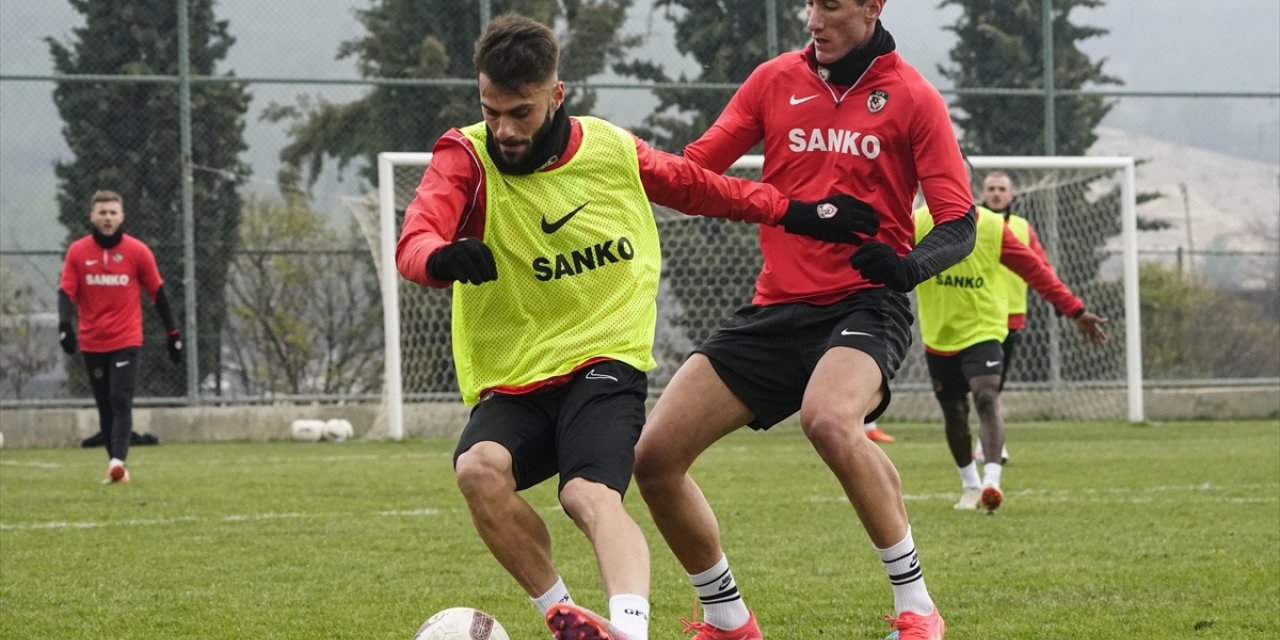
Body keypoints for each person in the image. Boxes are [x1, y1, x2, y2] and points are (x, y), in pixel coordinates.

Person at [394, 14, 881, 640]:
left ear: (556, 95)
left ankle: (629, 628)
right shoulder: (464, 155)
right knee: (477, 471)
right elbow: (415, 241)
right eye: (491, 111)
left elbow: (705, 189)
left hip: (605, 362)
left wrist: (800, 212)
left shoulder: (611, 151)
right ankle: (562, 615)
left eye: (520, 112)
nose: (504, 129)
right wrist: (439, 258)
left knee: (587, 497)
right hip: (516, 375)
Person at [632, 2, 980, 638]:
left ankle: (918, 608)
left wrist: (905, 268)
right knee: (654, 458)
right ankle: (728, 618)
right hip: (775, 307)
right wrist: (612, 156)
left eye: (832, 5)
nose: (814, 19)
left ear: (873, 7)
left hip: (864, 305)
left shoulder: (914, 97)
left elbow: (958, 221)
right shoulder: (772, 80)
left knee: (826, 419)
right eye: (810, 4)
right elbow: (694, 173)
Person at [912, 205, 1108, 513]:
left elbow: (1035, 270)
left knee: (986, 396)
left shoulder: (991, 226)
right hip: (939, 333)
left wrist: (1076, 310)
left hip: (985, 328)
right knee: (955, 412)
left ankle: (992, 481)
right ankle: (970, 484)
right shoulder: (916, 222)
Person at [58, 190, 182, 484]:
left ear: (122, 216)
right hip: (92, 341)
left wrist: (172, 332)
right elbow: (66, 292)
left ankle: (117, 460)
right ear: (92, 216)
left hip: (126, 339)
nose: (108, 218)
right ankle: (117, 469)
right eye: (102, 212)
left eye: (113, 212)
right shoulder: (78, 252)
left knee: (120, 398)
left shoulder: (138, 251)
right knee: (105, 404)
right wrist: (65, 325)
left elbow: (157, 292)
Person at [971, 171, 1052, 465]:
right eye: (991, 188)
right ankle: (988, 446)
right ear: (982, 193)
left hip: (1011, 315)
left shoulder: (1022, 227)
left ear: (1012, 195)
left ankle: (990, 444)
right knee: (980, 387)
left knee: (995, 386)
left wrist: (1057, 298)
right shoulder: (975, 225)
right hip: (977, 315)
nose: (996, 194)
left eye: (1001, 189)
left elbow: (1040, 266)